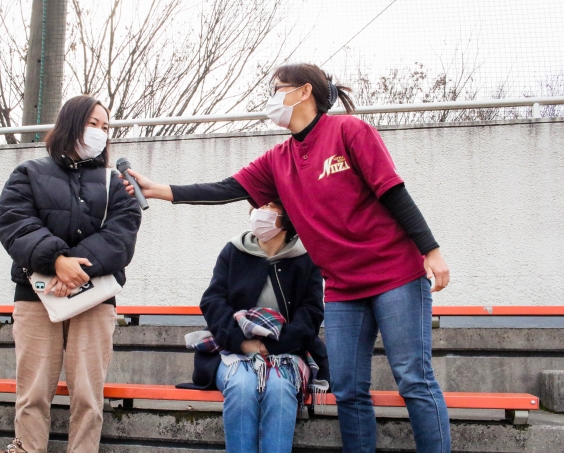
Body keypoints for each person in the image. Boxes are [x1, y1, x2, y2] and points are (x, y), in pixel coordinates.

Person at [122, 63, 452, 452]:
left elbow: (391, 190)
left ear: (304, 91)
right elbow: (224, 189)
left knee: (414, 379)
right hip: (343, 288)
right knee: (348, 389)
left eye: (278, 88)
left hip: (395, 274)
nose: (271, 98)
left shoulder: (350, 131)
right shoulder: (278, 160)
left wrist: (430, 249)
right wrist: (158, 189)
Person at [0, 95, 142, 453]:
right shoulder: (28, 173)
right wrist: (56, 260)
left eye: (105, 127)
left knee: (89, 397)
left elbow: (122, 235)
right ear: (71, 123)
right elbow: (14, 223)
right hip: (36, 298)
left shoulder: (115, 183)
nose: (100, 132)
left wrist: (70, 266)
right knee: (32, 395)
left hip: (95, 299)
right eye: (93, 123)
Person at [179, 200, 329, 453]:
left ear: (288, 214)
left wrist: (273, 346)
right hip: (233, 351)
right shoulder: (234, 251)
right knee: (241, 385)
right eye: (259, 204)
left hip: (286, 353)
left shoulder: (305, 257)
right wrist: (242, 342)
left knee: (280, 388)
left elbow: (312, 312)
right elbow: (213, 301)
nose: (260, 210)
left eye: (269, 204)